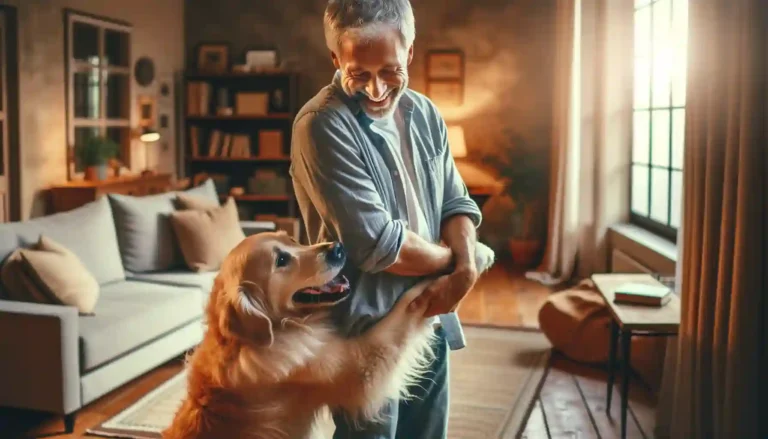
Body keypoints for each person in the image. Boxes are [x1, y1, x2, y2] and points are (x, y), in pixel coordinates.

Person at [289, 0, 482, 437]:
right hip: (365, 332)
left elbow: (456, 202)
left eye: (390, 71)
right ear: (336, 59)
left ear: (410, 52)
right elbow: (378, 245)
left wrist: (466, 266)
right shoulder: (320, 125)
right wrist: (456, 264)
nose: (376, 90)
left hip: (431, 314)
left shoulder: (427, 114)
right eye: (359, 73)